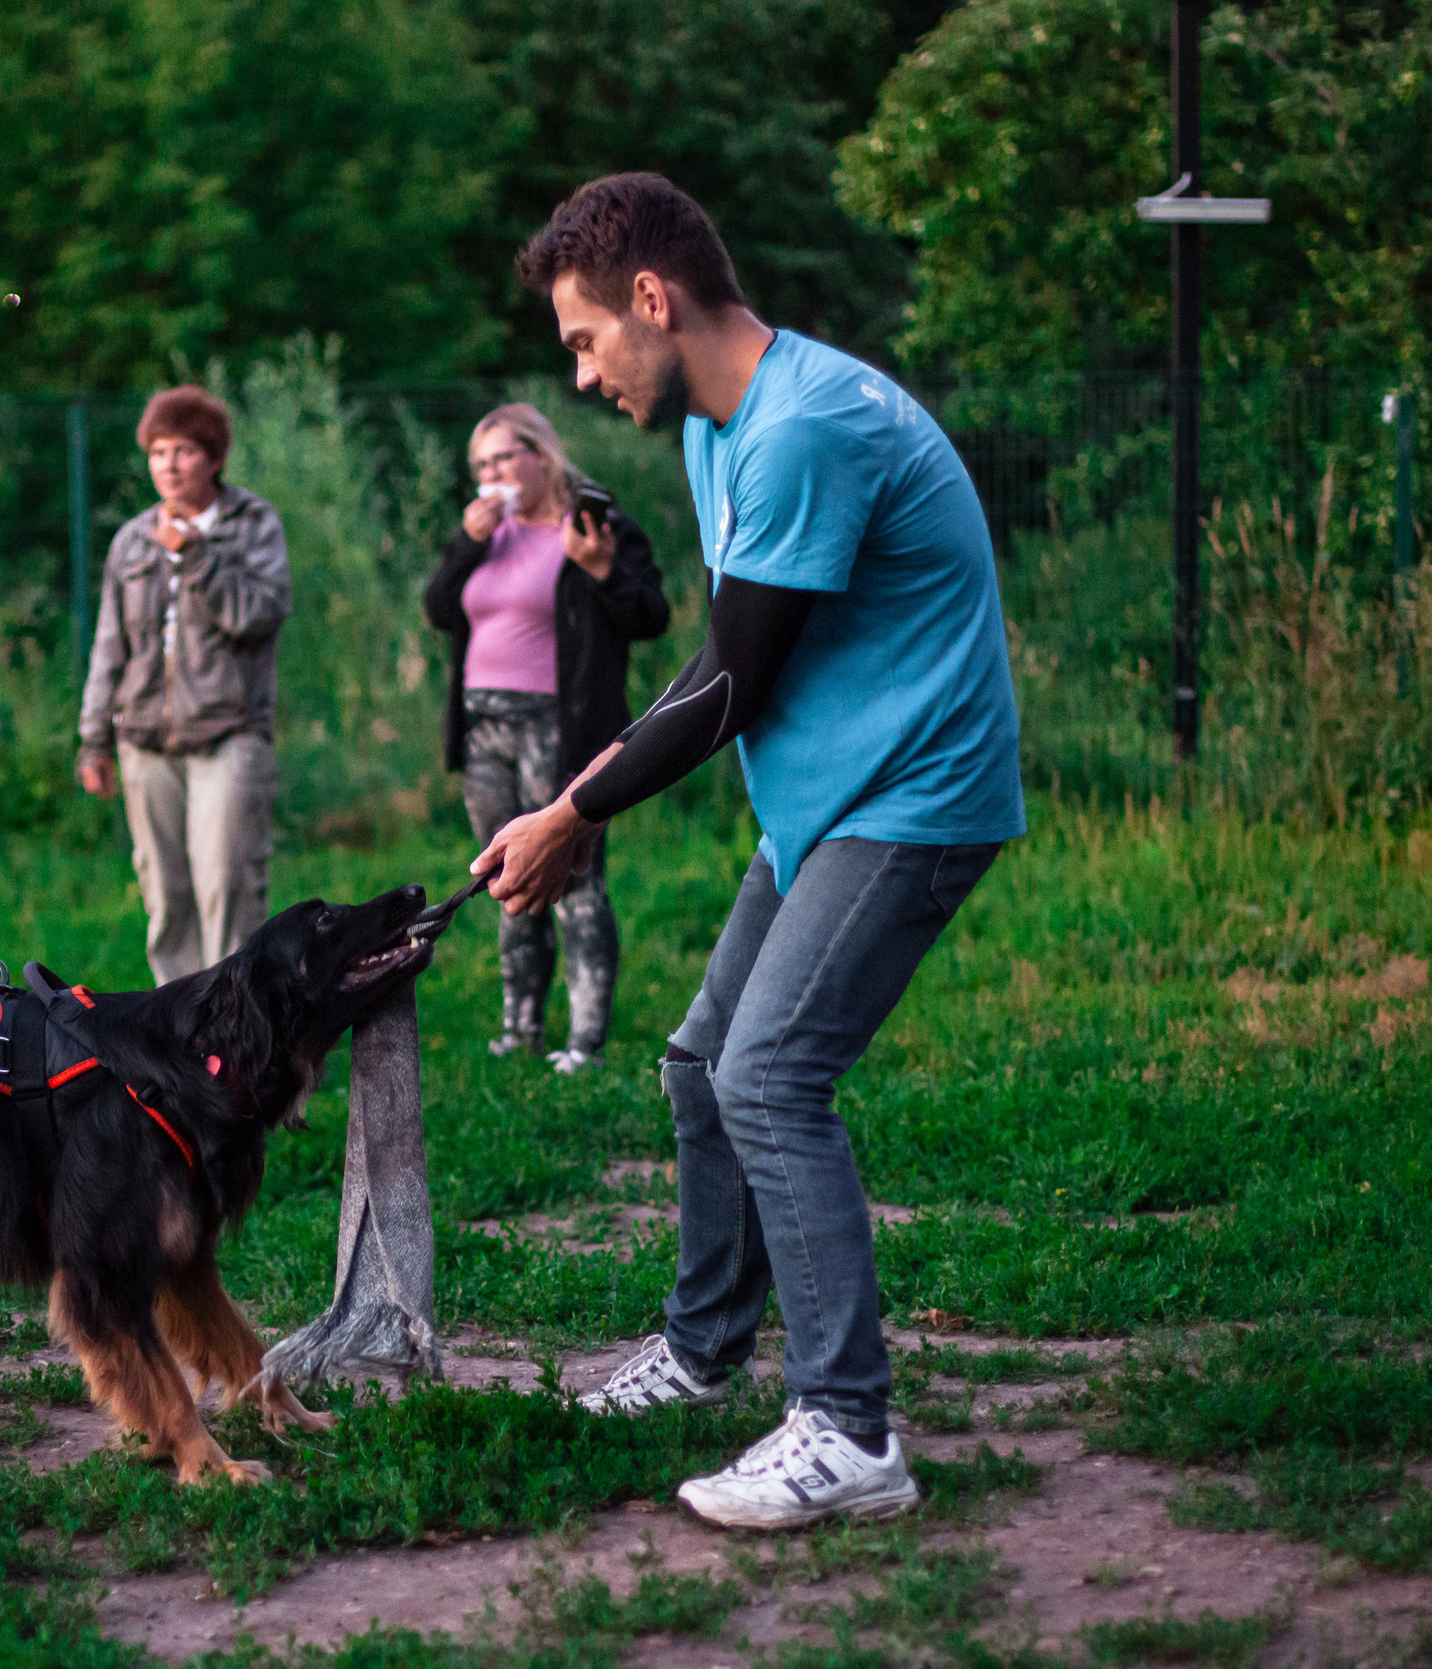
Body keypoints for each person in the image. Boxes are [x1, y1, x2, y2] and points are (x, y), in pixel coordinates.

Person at [475, 174, 1025, 1529]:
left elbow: (733, 686)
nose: (585, 371)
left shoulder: (806, 427)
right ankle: (707, 1350)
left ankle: (849, 1428)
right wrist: (576, 799)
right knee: (701, 1060)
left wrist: (573, 808)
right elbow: (728, 660)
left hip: (913, 798)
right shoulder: (726, 428)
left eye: (588, 339)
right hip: (828, 804)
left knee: (771, 1075)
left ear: (653, 301)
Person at [423, 404, 668, 1071]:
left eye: (503, 458)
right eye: (481, 465)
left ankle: (585, 1040)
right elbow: (438, 609)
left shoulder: (595, 525)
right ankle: (520, 1028)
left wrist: (603, 571)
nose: (492, 474)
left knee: (575, 876)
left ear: (541, 454)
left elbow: (650, 615)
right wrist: (467, 544)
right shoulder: (484, 533)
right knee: (508, 876)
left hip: (562, 729)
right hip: (483, 726)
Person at [78, 386, 292, 984]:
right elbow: (109, 646)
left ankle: (240, 1041)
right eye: (158, 452)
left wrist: (197, 558)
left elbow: (259, 615)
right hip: (145, 744)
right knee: (166, 900)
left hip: (229, 738)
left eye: (185, 451)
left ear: (215, 459)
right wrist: (93, 740)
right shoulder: (131, 539)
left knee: (228, 889)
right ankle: (177, 1043)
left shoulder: (254, 525)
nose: (169, 465)